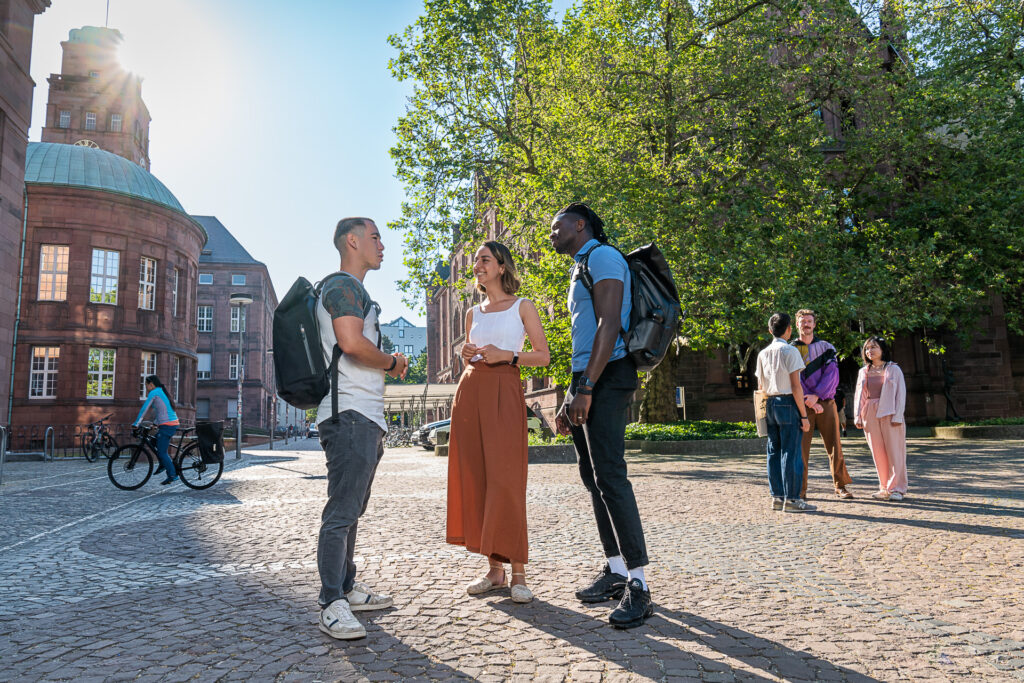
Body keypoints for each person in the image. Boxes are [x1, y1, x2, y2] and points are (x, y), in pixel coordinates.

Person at [550, 202, 652, 630]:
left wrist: (588, 387)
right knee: (592, 477)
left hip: (609, 374)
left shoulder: (604, 256)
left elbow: (610, 324)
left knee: (611, 475)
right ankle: (614, 569)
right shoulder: (580, 265)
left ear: (580, 224)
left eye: (556, 227)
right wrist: (572, 390)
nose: (551, 234)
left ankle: (640, 585)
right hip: (588, 374)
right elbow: (587, 332)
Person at [314, 216, 409, 640]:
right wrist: (393, 362)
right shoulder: (342, 286)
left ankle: (347, 589)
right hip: (349, 414)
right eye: (375, 237)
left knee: (351, 511)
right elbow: (351, 345)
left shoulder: (355, 290)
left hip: (363, 415)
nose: (382, 245)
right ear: (352, 241)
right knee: (340, 514)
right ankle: (331, 601)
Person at [447, 241, 550, 604]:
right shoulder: (472, 314)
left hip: (505, 390)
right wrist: (466, 354)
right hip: (471, 393)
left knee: (506, 481)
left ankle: (519, 574)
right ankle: (494, 571)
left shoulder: (523, 307)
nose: (476, 265)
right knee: (479, 480)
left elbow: (543, 355)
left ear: (502, 266)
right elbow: (471, 359)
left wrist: (509, 355)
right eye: (475, 261)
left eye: (484, 259)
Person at [790, 309, 855, 500]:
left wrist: (817, 396)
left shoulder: (827, 347)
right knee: (801, 448)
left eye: (809, 321)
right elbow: (792, 378)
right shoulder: (790, 349)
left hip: (825, 402)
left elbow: (832, 375)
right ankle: (800, 490)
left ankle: (840, 486)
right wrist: (806, 399)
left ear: (814, 324)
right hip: (801, 405)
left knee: (835, 445)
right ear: (797, 325)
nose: (806, 324)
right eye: (803, 322)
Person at [755, 313, 815, 512]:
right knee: (791, 451)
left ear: (770, 330)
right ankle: (792, 499)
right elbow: (796, 386)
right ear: (789, 329)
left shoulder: (763, 353)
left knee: (773, 451)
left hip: (769, 402)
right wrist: (804, 416)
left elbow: (760, 385)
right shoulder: (790, 351)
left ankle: (777, 497)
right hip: (788, 402)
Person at [853, 336, 908, 501]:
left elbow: (901, 394)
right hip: (869, 413)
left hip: (890, 412)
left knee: (895, 451)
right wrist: (858, 416)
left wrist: (898, 415)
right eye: (867, 348)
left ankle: (898, 488)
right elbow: (859, 396)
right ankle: (884, 487)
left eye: (874, 347)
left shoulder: (894, 369)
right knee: (878, 453)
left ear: (883, 349)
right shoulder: (863, 371)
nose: (870, 351)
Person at [133, 375, 180, 485]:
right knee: (154, 441)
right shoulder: (160, 391)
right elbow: (161, 411)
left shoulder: (154, 393)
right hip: (169, 424)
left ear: (151, 384)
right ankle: (163, 464)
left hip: (168, 425)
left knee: (162, 452)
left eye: (146, 384)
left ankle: (172, 475)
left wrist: (136, 423)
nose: (145, 387)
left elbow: (145, 408)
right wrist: (155, 424)